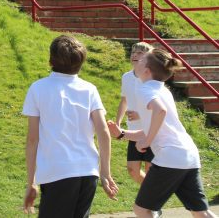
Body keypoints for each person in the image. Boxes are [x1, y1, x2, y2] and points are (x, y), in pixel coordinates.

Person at [108, 49, 217, 218]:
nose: (136, 61)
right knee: (201, 212)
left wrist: (146, 141)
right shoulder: (163, 90)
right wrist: (122, 133)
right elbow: (154, 128)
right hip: (188, 155)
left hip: (171, 157)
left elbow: (160, 112)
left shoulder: (145, 90)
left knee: (141, 209)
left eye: (141, 60)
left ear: (147, 71)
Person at [22, 35, 118, 217]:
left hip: (57, 172)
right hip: (87, 172)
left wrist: (31, 182)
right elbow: (103, 132)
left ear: (50, 60)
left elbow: (33, 139)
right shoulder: (89, 89)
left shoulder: (38, 88)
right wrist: (105, 172)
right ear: (81, 62)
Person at [115, 42, 155, 184]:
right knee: (133, 170)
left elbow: (160, 107)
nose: (135, 55)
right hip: (133, 131)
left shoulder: (151, 77)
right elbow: (124, 100)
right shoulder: (126, 77)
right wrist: (118, 123)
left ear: (148, 58)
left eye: (140, 53)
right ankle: (150, 198)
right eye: (133, 52)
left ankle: (151, 202)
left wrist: (140, 114)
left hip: (150, 130)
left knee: (151, 170)